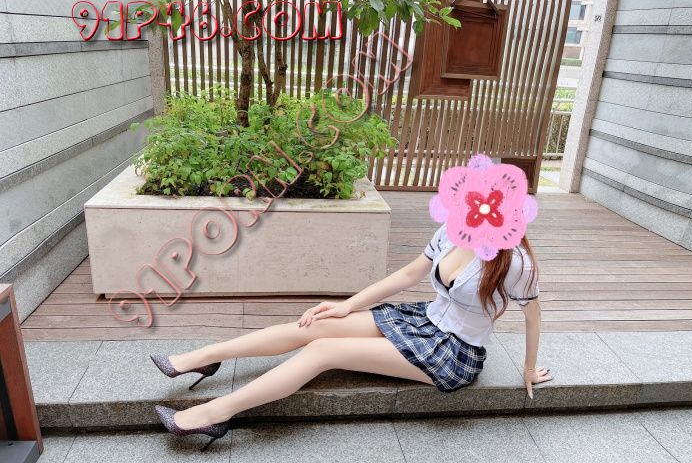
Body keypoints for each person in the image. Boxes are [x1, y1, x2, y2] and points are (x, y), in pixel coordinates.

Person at [151, 156, 553, 451]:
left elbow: (533, 315)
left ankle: (214, 414)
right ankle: (206, 357)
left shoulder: (515, 263)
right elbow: (407, 275)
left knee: (323, 350)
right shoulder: (451, 232)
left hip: (453, 353)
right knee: (317, 325)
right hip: (422, 321)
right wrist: (347, 305)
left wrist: (528, 368)